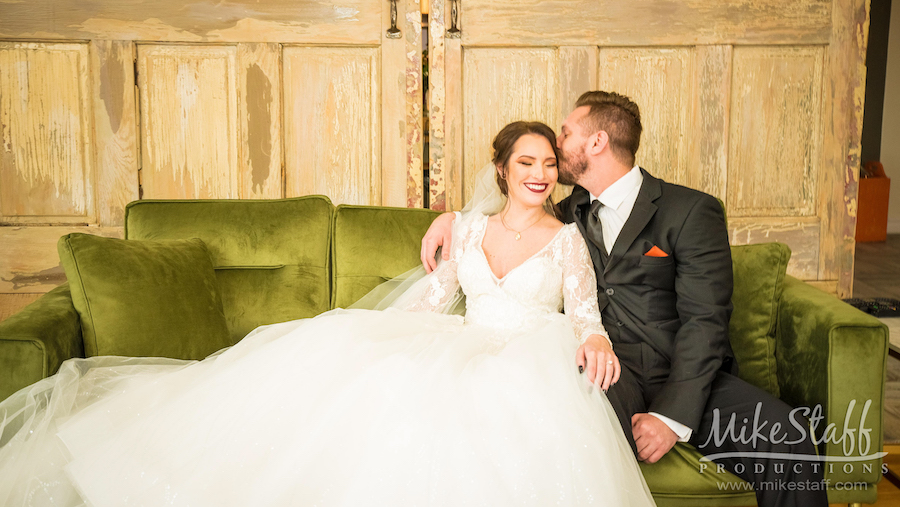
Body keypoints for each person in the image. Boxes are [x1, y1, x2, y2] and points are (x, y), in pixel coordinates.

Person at [0, 121, 656, 507]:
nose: (539, 174)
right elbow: (432, 300)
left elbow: (585, 309)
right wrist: (370, 334)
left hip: (528, 358)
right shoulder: (464, 230)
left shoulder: (569, 236)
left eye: (548, 164)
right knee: (370, 382)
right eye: (526, 163)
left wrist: (595, 338)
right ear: (503, 169)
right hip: (463, 338)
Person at [421, 92, 828, 507]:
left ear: (596, 143)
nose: (555, 146)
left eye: (564, 134)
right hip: (605, 375)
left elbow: (706, 320)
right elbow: (514, 219)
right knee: (554, 434)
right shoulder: (570, 209)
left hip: (683, 374)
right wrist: (451, 220)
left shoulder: (690, 211)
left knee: (789, 435)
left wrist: (672, 417)